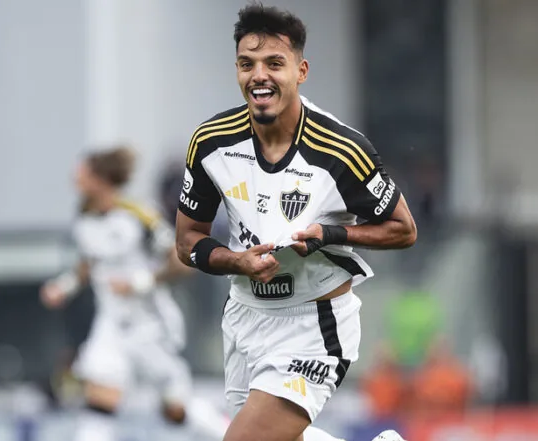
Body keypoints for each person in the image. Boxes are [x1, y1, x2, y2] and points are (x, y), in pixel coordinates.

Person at [175, 4, 417, 441]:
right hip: (244, 316)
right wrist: (237, 261)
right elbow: (187, 240)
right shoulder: (211, 142)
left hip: (313, 323)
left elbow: (404, 229)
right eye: (247, 64)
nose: (259, 76)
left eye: (274, 63)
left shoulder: (342, 149)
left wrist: (331, 235)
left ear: (300, 71)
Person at [41, 146, 229, 441]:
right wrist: (64, 286)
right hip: (111, 326)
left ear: (100, 178)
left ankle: (232, 434)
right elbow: (89, 263)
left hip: (150, 326)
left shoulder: (137, 216)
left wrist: (139, 283)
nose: (75, 177)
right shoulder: (84, 219)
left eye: (82, 172)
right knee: (98, 403)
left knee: (175, 410)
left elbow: (182, 262)